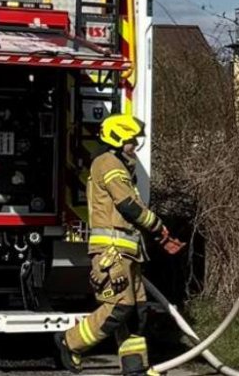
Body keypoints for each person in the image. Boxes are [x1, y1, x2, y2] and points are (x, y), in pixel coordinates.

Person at [56, 114, 185, 375]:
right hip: (111, 253)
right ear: (116, 139)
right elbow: (128, 206)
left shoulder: (120, 165)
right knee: (120, 307)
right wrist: (159, 227)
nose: (135, 145)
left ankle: (134, 367)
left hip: (128, 252)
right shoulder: (108, 163)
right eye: (130, 140)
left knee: (138, 312)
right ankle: (70, 342)